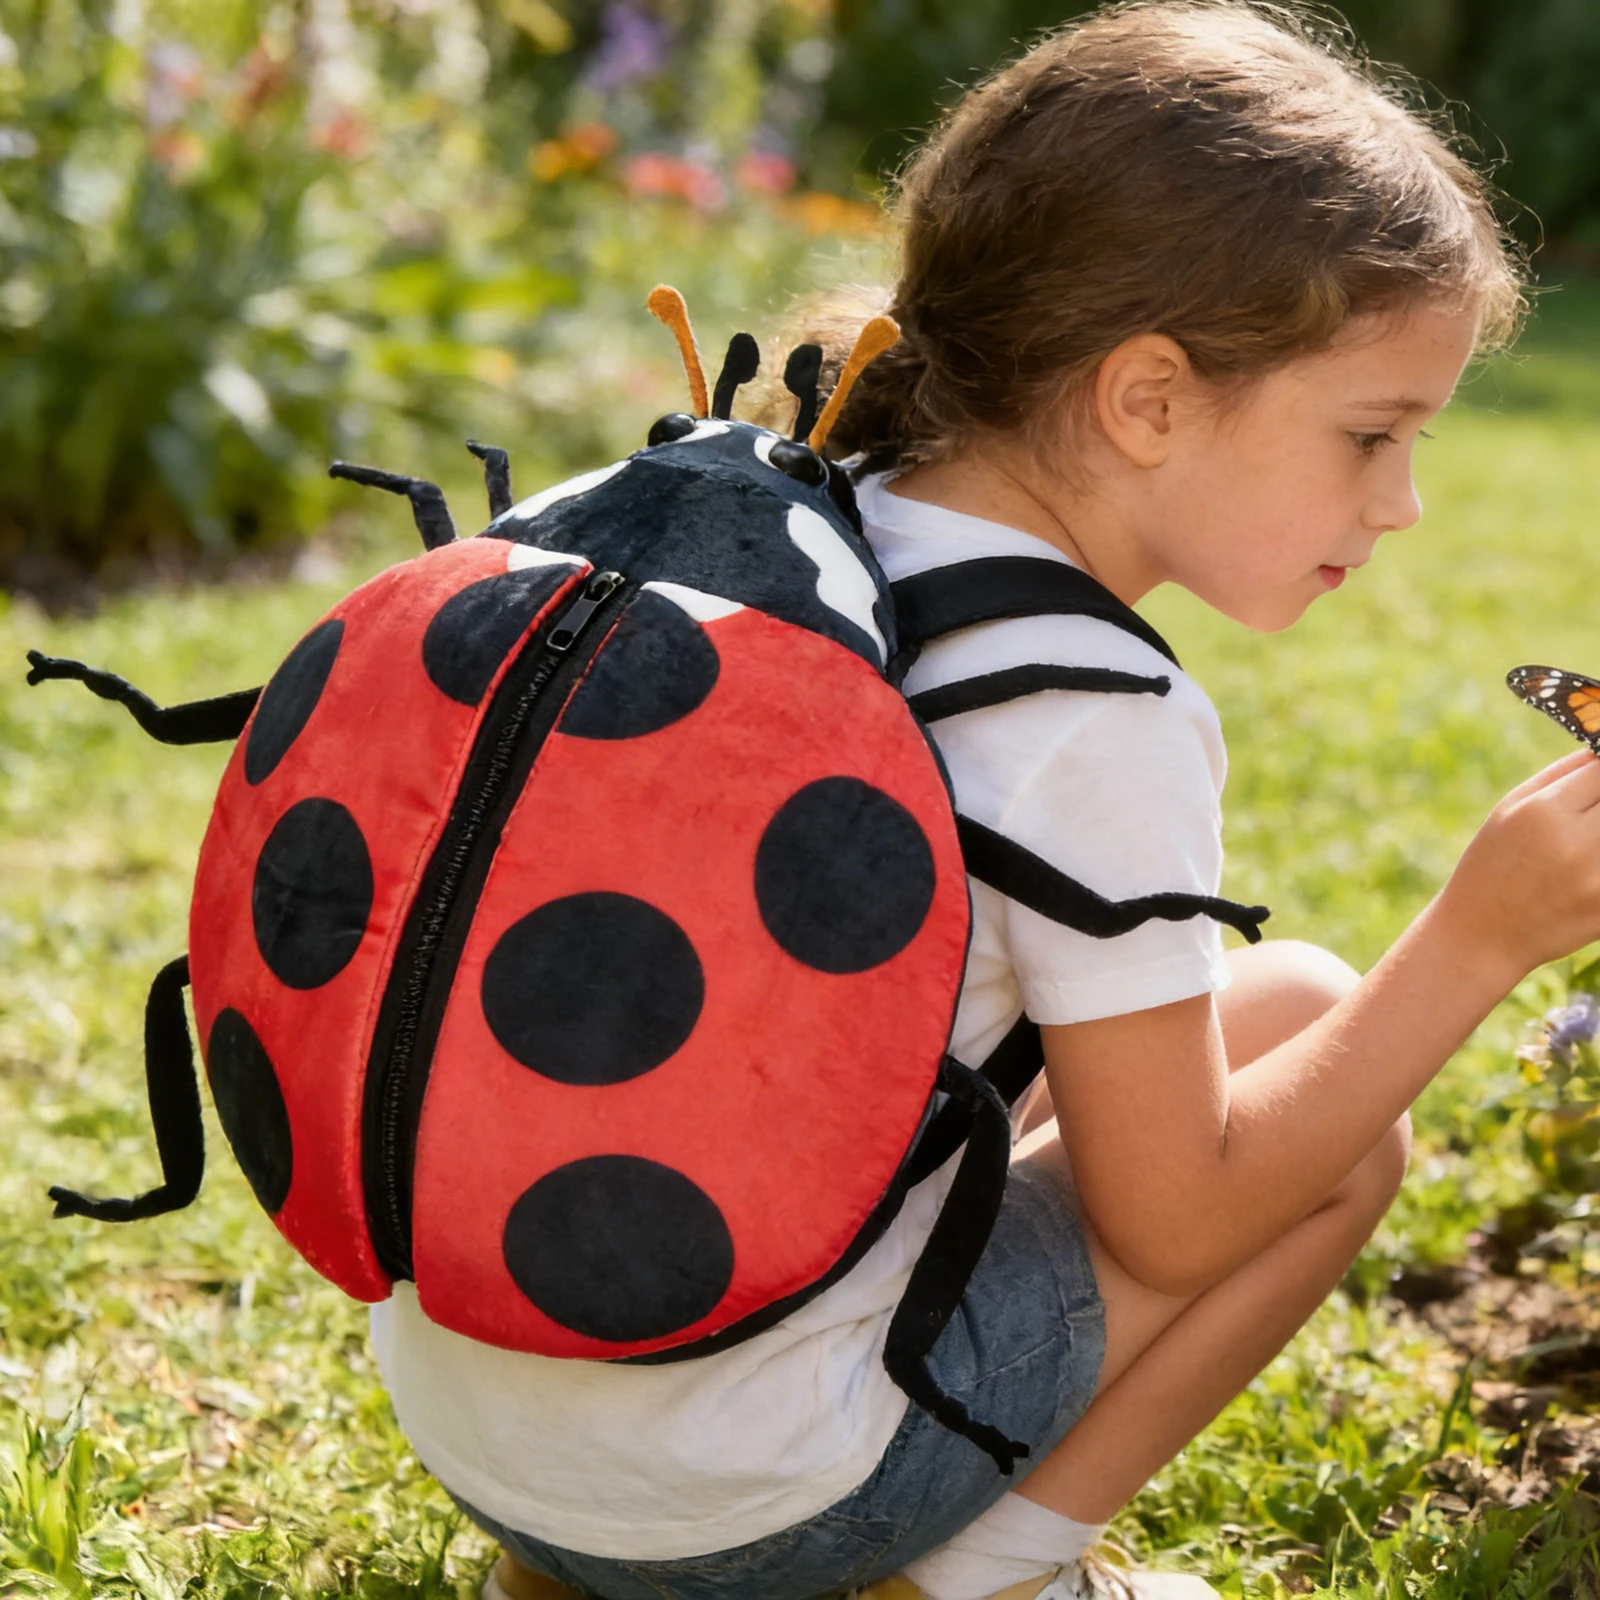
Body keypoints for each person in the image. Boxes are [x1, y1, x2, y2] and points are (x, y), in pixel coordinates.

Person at [368, 4, 1586, 1596]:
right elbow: (1181, 1223)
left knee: (1283, 1003)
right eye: (1372, 436)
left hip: (488, 1417)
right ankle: (982, 1580)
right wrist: (1480, 939)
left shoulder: (783, 531)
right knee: (1343, 1130)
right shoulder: (1091, 705)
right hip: (740, 1502)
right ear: (1146, 398)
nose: (1403, 504)